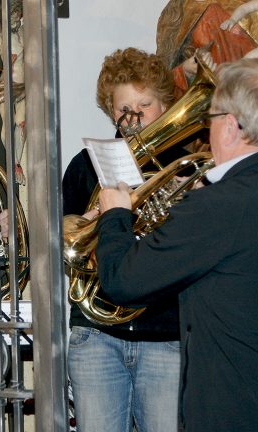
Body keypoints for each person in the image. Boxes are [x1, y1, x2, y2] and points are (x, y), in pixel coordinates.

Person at [95, 58, 258, 431]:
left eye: (210, 119)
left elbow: (123, 280)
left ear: (231, 127)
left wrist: (116, 215)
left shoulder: (222, 206)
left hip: (238, 414)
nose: (207, 129)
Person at [62, 47, 183, 432]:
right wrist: (92, 222)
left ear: (165, 105)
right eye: (122, 107)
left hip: (165, 333)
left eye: (144, 104)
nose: (132, 116)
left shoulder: (186, 166)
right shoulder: (86, 164)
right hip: (96, 332)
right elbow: (59, 231)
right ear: (109, 110)